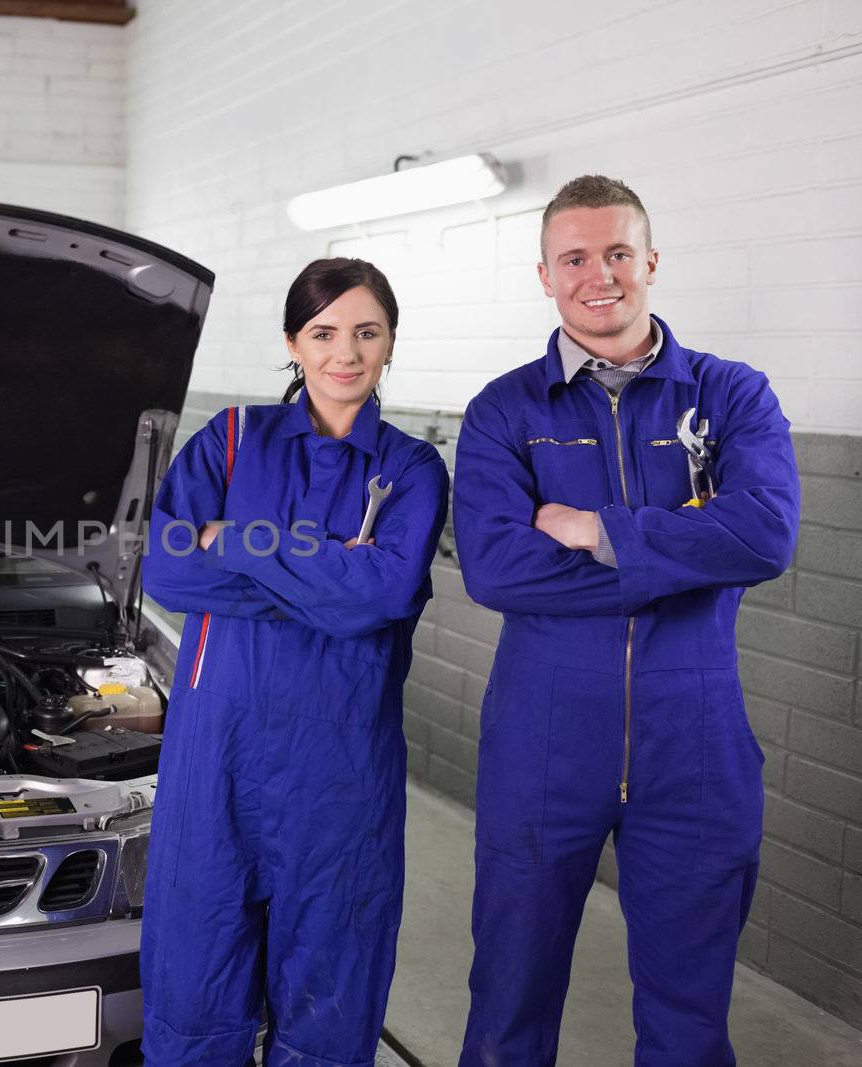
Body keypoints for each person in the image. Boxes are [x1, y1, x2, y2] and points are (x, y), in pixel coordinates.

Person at [453, 175, 800, 1065]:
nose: (597, 274)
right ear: (544, 274)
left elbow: (763, 534)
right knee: (508, 1007)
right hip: (542, 739)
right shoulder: (505, 411)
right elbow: (494, 567)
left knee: (689, 1021)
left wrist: (596, 531)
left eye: (617, 253)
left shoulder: (731, 396)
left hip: (694, 740)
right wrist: (679, 554)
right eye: (575, 257)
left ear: (650, 261)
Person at [138, 257, 449, 1067]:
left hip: (340, 773)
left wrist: (237, 543)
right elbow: (167, 568)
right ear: (293, 342)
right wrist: (328, 575)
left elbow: (379, 596)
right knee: (195, 985)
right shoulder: (231, 442)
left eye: (366, 332)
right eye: (323, 332)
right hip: (218, 765)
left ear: (388, 343)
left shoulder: (412, 470)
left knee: (330, 1003)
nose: (345, 352)